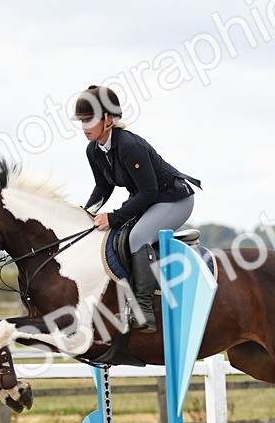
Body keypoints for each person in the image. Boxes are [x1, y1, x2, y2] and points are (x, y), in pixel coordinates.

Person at [72, 85, 200, 332]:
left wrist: (115, 217)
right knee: (115, 235)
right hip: (150, 200)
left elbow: (149, 192)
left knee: (138, 237)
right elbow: (102, 187)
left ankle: (144, 310)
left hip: (174, 200)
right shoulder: (94, 150)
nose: (85, 127)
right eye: (82, 121)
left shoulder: (130, 146)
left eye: (90, 120)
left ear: (109, 119)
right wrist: (85, 213)